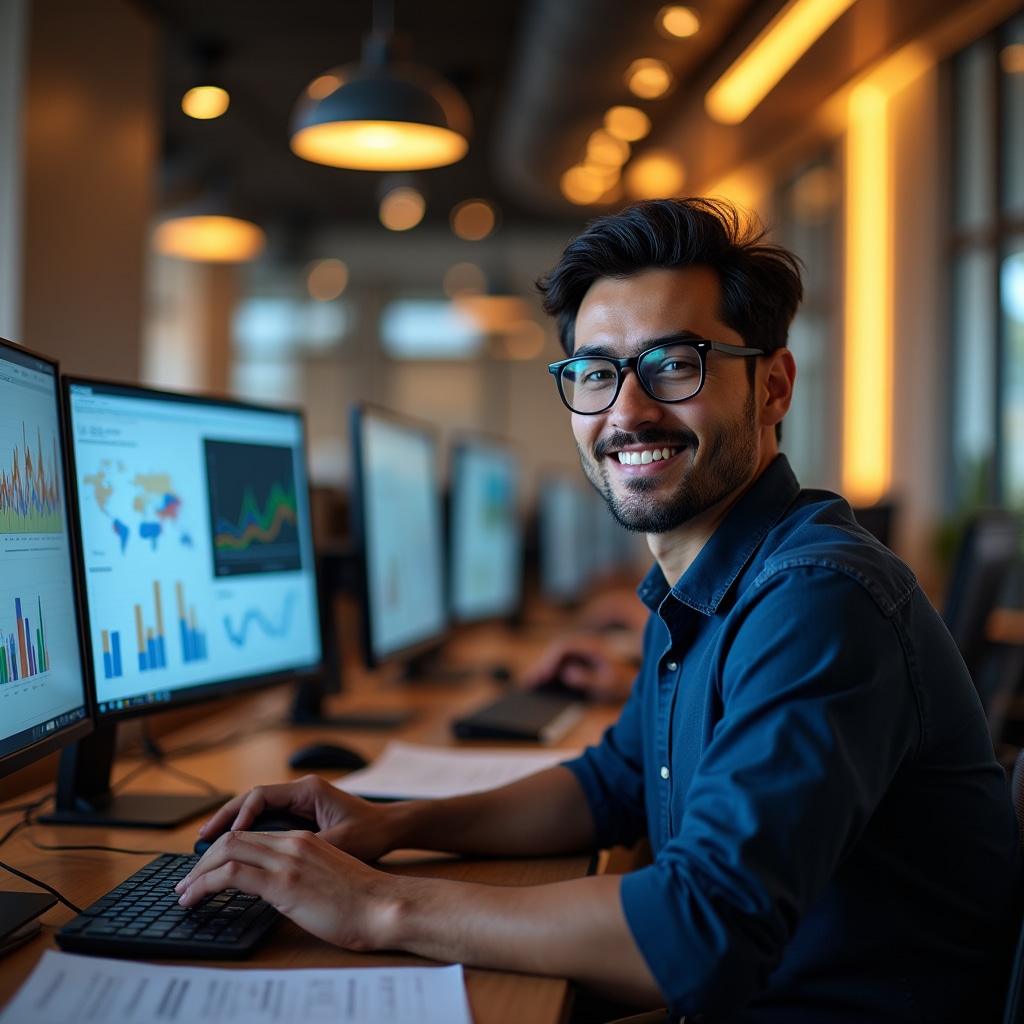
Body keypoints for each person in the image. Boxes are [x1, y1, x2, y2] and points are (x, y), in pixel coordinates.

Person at [177, 197, 1022, 1023]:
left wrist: (376, 906)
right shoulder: (701, 581)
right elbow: (616, 782)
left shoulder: (817, 598)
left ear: (773, 386)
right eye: (596, 371)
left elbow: (699, 932)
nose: (626, 410)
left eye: (674, 364)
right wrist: (391, 826)